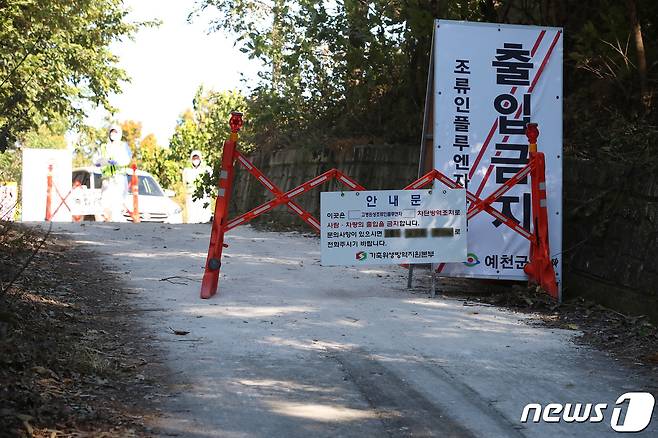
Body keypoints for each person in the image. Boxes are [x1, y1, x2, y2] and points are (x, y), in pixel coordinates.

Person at [93, 125, 131, 221]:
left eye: (115, 132)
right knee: (105, 201)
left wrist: (117, 162)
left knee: (118, 202)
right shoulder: (104, 146)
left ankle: (116, 222)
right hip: (107, 179)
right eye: (111, 132)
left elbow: (127, 159)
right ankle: (108, 221)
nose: (113, 134)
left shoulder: (123, 146)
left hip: (119, 178)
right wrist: (99, 162)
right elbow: (96, 159)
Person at [182, 150, 212, 223]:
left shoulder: (206, 170)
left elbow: (210, 183)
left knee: (204, 217)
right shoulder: (187, 171)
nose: (196, 160)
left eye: (197, 158)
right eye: (194, 158)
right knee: (192, 217)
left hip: (203, 196)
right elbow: (185, 183)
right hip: (191, 196)